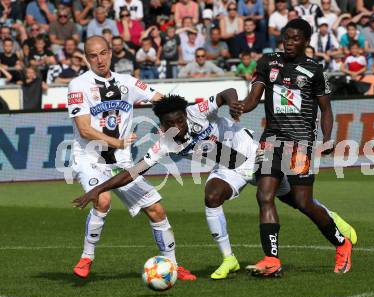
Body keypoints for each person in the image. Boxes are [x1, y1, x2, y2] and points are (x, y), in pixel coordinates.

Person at [73, 91, 357, 280]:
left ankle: (334, 222)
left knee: (297, 201)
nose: (179, 126)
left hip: (255, 155)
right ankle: (228, 259)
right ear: (162, 125)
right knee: (211, 196)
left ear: (186, 115)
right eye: (171, 123)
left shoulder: (197, 111)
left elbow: (225, 95)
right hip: (230, 167)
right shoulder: (164, 143)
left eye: (181, 120)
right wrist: (98, 189)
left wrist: (234, 104)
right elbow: (133, 171)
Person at [229, 19, 354, 277]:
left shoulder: (315, 70)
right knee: (264, 196)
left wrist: (327, 138)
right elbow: (254, 97)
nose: (289, 43)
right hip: (272, 140)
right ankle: (271, 260)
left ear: (306, 41)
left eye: (295, 38)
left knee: (303, 202)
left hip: (300, 143)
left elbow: (326, 109)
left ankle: (342, 243)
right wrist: (240, 106)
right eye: (286, 37)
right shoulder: (268, 62)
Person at [67, 35, 195, 281]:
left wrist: (170, 120)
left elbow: (161, 99)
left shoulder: (127, 82)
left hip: (122, 163)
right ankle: (86, 257)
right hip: (90, 158)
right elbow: (84, 129)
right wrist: (117, 142)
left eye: (103, 53)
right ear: (86, 57)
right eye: (93, 55)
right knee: (102, 200)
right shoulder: (78, 85)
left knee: (157, 211)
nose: (99, 59)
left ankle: (173, 265)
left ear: (111, 53)